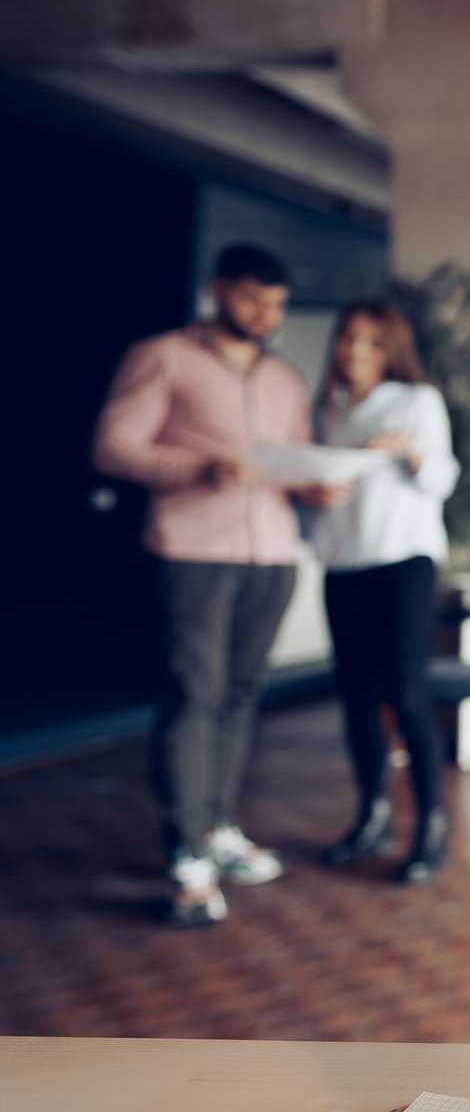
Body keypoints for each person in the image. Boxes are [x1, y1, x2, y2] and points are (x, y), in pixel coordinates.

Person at [93, 243, 336, 926]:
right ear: (218, 290)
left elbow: (285, 463)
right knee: (192, 693)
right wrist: (201, 468)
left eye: (277, 305)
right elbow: (114, 446)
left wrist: (315, 484)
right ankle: (184, 848)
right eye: (254, 299)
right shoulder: (163, 355)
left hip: (274, 554)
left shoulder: (284, 378)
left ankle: (218, 825)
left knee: (238, 695)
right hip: (194, 550)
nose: (266, 314)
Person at [311, 302, 460, 884]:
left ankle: (430, 830)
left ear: (391, 349)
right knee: (355, 697)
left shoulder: (416, 401)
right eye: (348, 339)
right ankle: (371, 818)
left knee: (405, 691)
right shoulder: (327, 407)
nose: (355, 352)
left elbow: (443, 479)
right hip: (343, 564)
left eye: (371, 343)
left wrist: (412, 452)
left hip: (404, 564)